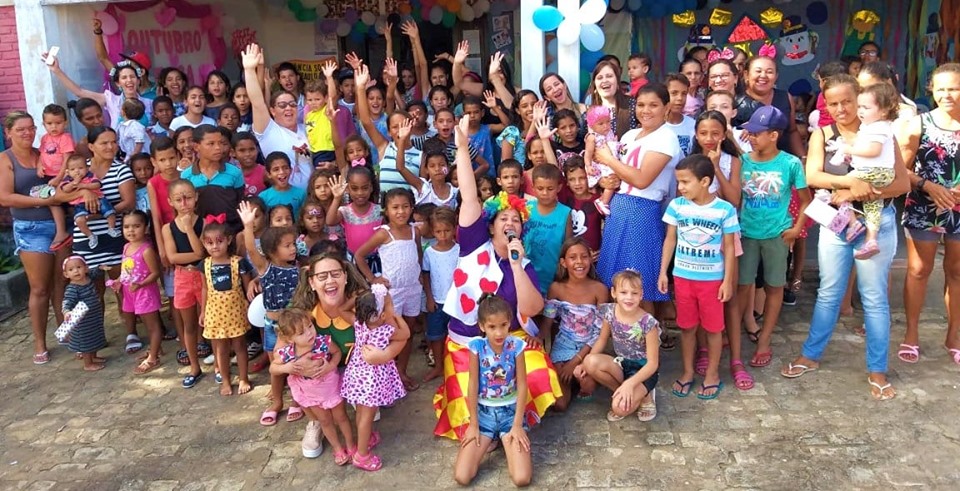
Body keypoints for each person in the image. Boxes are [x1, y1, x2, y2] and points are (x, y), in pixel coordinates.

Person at [782, 73, 909, 401]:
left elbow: (901, 184)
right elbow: (813, 175)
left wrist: (865, 191)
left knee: (874, 297)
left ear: (859, 99)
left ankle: (877, 370)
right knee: (829, 292)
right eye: (833, 103)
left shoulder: (880, 133)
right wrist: (851, 184)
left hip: (876, 223)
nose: (840, 109)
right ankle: (810, 355)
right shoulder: (823, 134)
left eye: (847, 102)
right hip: (836, 225)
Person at [433, 117, 560, 440]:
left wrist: (516, 266)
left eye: (516, 220)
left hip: (508, 341)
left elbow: (532, 308)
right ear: (491, 225)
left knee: (541, 377)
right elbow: (470, 196)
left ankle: (512, 422)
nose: (510, 223)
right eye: (504, 218)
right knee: (467, 414)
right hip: (466, 343)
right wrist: (462, 148)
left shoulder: (523, 264)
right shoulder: (474, 242)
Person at [0, 112, 79, 364]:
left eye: (31, 128)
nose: (27, 133)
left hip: (59, 223)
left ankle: (66, 332)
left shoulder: (44, 150)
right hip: (31, 227)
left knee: (62, 282)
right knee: (40, 288)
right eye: (20, 129)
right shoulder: (5, 159)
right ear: (8, 133)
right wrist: (44, 201)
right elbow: (5, 197)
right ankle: (39, 342)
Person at [736, 106, 811, 368]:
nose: (751, 138)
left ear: (774, 135)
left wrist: (796, 229)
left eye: (757, 133)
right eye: (750, 133)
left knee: (774, 286)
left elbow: (806, 200)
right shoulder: (742, 161)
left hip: (777, 235)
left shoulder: (790, 164)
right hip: (746, 233)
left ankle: (765, 339)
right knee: (742, 286)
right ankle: (733, 334)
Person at [659, 155, 739, 399]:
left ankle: (712, 374)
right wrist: (663, 272)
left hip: (712, 281)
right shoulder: (677, 206)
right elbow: (670, 239)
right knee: (687, 327)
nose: (680, 187)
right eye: (678, 182)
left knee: (714, 329)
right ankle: (687, 372)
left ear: (704, 181)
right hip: (683, 278)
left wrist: (727, 281)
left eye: (685, 182)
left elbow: (729, 248)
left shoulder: (725, 210)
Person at [594, 84, 682, 306]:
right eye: (641, 105)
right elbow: (619, 173)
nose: (646, 110)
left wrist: (609, 160)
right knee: (615, 280)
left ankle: (646, 328)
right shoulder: (630, 135)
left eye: (653, 105)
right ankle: (617, 327)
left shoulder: (666, 137)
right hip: (619, 208)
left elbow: (642, 179)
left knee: (639, 285)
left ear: (666, 107)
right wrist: (606, 180)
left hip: (642, 212)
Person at [898, 63, 960, 366]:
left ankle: (954, 336)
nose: (947, 95)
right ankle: (911, 334)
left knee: (957, 272)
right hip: (924, 206)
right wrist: (928, 185)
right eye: (941, 89)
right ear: (931, 90)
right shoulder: (918, 124)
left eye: (954, 88)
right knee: (919, 270)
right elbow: (901, 170)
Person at [453, 294, 533, 487]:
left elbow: (522, 384)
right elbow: (473, 384)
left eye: (503, 325)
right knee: (462, 476)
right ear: (482, 326)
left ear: (509, 322)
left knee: (521, 478)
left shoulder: (516, 346)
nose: (499, 333)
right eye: (492, 327)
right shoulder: (477, 347)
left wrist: (517, 425)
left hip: (510, 415)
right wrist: (473, 424)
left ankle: (505, 439)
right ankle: (493, 438)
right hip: (483, 416)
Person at [238, 203, 306, 427]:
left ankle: (296, 399)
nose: (293, 248)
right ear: (272, 250)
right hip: (272, 327)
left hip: (294, 328)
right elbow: (251, 249)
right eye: (287, 245)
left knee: (296, 363)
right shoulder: (266, 268)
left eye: (293, 244)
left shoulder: (297, 271)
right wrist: (248, 225)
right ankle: (277, 402)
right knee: (276, 366)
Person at [354, 187, 422, 390]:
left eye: (405, 206)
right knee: (390, 335)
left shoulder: (415, 231)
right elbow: (359, 255)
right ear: (386, 210)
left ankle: (402, 372)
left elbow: (418, 254)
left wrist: (418, 273)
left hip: (413, 289)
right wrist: (373, 278)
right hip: (392, 294)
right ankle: (386, 378)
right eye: (395, 207)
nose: (401, 211)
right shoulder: (384, 234)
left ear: (412, 208)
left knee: (408, 332)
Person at [826, 83, 901, 259]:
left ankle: (853, 223)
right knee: (873, 206)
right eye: (859, 106)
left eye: (866, 108)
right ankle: (871, 240)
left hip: (874, 172)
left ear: (883, 111)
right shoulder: (870, 127)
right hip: (878, 173)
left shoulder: (878, 127)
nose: (860, 111)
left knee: (838, 186)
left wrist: (848, 149)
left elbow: (873, 151)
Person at [271, 308, 355, 465]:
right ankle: (337, 448)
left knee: (341, 417)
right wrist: (286, 368)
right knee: (325, 421)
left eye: (310, 326)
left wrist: (330, 366)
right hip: (311, 393)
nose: (309, 333)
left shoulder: (322, 342)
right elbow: (273, 368)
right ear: (289, 339)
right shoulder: (288, 353)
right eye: (301, 332)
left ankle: (351, 446)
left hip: (330, 387)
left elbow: (337, 353)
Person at [340, 285, 409, 471]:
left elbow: (342, 310)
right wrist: (398, 316)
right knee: (367, 417)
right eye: (389, 305)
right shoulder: (387, 330)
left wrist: (356, 299)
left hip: (357, 374)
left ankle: (366, 439)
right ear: (383, 315)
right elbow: (406, 334)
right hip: (372, 380)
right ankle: (362, 455)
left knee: (361, 412)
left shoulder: (358, 323)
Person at [577, 270, 661, 422]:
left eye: (634, 293)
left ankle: (646, 396)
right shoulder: (610, 312)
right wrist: (584, 364)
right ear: (614, 293)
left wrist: (631, 383)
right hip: (621, 364)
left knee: (619, 408)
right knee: (589, 361)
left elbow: (652, 364)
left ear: (641, 295)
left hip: (643, 370)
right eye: (623, 292)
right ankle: (622, 391)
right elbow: (602, 339)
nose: (629, 297)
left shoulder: (648, 323)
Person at [541, 238, 608, 411]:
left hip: (589, 348)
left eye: (584, 256)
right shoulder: (556, 288)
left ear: (591, 259)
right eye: (573, 257)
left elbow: (599, 332)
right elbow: (547, 323)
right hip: (563, 345)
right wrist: (539, 345)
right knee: (560, 404)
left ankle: (581, 378)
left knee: (588, 385)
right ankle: (570, 379)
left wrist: (575, 362)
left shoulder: (599, 289)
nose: (579, 262)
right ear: (563, 262)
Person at [242, 44, 312, 190]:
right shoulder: (269, 131)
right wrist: (249, 70)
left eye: (292, 104)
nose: (288, 108)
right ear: (272, 111)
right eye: (282, 105)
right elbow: (257, 102)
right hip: (284, 198)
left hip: (314, 196)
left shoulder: (308, 128)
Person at [199, 219, 253, 396]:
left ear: (229, 240)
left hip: (236, 312)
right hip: (214, 314)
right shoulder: (205, 265)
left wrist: (249, 306)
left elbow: (248, 288)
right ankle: (226, 381)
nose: (215, 246)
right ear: (204, 243)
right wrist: (202, 312)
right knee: (220, 350)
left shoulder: (239, 262)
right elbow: (205, 289)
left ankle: (244, 378)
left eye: (219, 241)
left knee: (240, 346)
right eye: (210, 242)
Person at [161, 179, 205, 387]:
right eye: (179, 199)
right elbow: (172, 257)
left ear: (196, 197)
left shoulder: (204, 223)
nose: (184, 203)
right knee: (189, 324)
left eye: (188, 197)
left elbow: (201, 252)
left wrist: (189, 229)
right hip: (182, 277)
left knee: (209, 321)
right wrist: (194, 255)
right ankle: (194, 366)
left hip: (203, 276)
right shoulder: (168, 228)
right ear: (171, 201)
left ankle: (218, 365)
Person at [111, 211, 164, 374]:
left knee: (153, 326)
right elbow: (126, 270)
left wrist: (141, 284)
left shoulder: (146, 250)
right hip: (130, 292)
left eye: (136, 226)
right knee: (146, 324)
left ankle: (153, 358)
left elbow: (155, 273)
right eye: (126, 227)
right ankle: (156, 349)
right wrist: (119, 280)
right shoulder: (126, 247)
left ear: (145, 228)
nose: (131, 230)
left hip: (145, 292)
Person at [46, 54, 153, 129]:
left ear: (138, 80)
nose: (129, 80)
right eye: (124, 77)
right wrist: (57, 70)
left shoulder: (149, 103)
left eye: (132, 77)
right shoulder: (112, 100)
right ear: (118, 83)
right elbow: (79, 92)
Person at [421, 207, 460, 383]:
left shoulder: (460, 250)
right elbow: (426, 276)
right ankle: (438, 366)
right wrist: (429, 298)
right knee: (436, 336)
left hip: (456, 302)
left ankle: (455, 365)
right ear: (432, 231)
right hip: (437, 302)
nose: (443, 235)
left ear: (454, 228)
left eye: (447, 230)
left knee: (455, 335)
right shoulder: (429, 252)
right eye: (438, 231)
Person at [51, 155, 120, 249]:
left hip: (99, 200)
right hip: (80, 205)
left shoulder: (90, 175)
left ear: (87, 168)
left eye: (80, 168)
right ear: (68, 172)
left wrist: (84, 186)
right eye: (73, 169)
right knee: (79, 220)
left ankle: (111, 228)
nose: (77, 171)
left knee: (110, 212)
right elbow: (65, 190)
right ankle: (90, 235)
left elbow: (97, 185)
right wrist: (75, 182)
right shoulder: (68, 180)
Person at [523, 164, 572, 296]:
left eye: (550, 189)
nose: (545, 193)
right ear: (533, 187)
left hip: (552, 276)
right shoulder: (526, 208)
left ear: (559, 188)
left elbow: (568, 246)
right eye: (540, 188)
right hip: (526, 273)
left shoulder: (565, 213)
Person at [326, 169, 382, 268]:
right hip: (353, 260)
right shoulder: (346, 211)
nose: (360, 193)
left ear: (371, 188)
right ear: (347, 189)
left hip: (375, 259)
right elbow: (330, 221)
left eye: (365, 188)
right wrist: (337, 198)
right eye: (354, 188)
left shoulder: (379, 211)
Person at [61, 255, 107, 371]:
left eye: (79, 267)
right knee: (86, 341)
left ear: (86, 268)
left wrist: (100, 268)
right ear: (66, 274)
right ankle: (88, 363)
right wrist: (66, 311)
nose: (76, 271)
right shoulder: (72, 288)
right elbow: (67, 301)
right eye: (71, 269)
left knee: (94, 336)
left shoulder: (88, 277)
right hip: (82, 320)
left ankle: (94, 357)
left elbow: (94, 273)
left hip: (93, 316)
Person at [38, 104, 73, 250]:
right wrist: (39, 166)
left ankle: (65, 231)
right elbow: (42, 154)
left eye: (58, 123)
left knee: (63, 202)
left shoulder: (65, 138)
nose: (54, 126)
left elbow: (67, 159)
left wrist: (59, 177)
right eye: (49, 123)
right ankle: (62, 231)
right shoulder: (45, 138)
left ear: (65, 122)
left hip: (62, 176)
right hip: (49, 176)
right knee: (53, 202)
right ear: (44, 124)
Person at [583, 106, 620, 216]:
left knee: (614, 180)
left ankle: (603, 199)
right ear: (592, 126)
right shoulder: (592, 137)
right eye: (601, 124)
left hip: (611, 161)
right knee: (611, 181)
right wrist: (588, 166)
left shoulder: (610, 133)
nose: (606, 126)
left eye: (608, 122)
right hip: (601, 164)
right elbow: (588, 154)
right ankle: (603, 202)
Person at [585, 60, 636, 138]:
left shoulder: (633, 105)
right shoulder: (589, 113)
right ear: (595, 85)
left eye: (609, 76)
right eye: (600, 78)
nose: (605, 80)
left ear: (617, 81)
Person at [259, 152, 307, 220]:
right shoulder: (263, 196)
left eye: (285, 168)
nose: (281, 172)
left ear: (291, 170)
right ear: (269, 174)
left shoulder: (301, 194)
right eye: (276, 169)